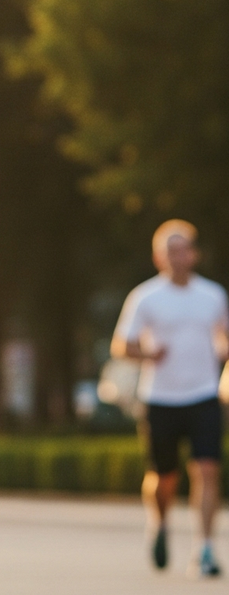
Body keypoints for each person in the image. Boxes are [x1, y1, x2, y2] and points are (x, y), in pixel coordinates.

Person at [112, 219, 229, 575]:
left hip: (204, 395)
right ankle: (159, 523)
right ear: (158, 256)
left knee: (207, 469)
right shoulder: (145, 297)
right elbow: (121, 346)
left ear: (193, 254)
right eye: (170, 251)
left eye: (183, 249)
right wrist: (147, 355)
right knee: (165, 478)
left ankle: (204, 548)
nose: (178, 257)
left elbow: (224, 338)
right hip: (160, 398)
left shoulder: (212, 295)